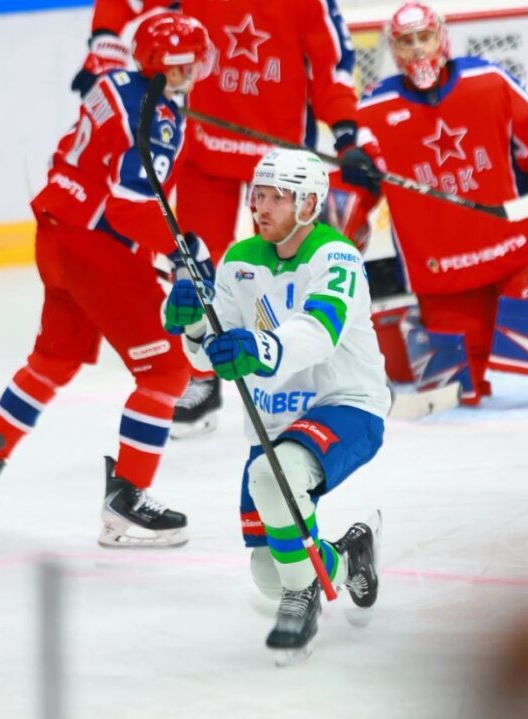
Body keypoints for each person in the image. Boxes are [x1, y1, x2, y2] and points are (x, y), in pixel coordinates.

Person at [0, 14, 213, 548]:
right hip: (97, 249)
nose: (194, 74)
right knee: (166, 371)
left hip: (57, 233)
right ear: (168, 69)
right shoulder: (158, 121)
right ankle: (127, 503)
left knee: (54, 360)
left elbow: (93, 126)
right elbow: (131, 206)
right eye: (187, 66)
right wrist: (183, 249)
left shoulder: (112, 81)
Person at [73, 0, 384, 438]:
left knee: (290, 270)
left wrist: (347, 132)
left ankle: (306, 377)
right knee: (196, 264)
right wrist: (105, 44)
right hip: (206, 150)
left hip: (279, 159)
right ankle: (201, 379)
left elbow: (331, 65)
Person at [162, 149, 388, 657]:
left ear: (308, 204)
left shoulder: (336, 257)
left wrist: (260, 349)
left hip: (345, 403)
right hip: (274, 419)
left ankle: (303, 601)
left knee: (271, 476)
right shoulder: (240, 259)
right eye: (258, 195)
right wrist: (194, 325)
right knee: (269, 573)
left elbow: (318, 333)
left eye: (276, 198)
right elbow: (210, 354)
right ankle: (350, 559)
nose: (260, 207)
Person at [330, 1, 528, 406]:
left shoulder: (488, 82)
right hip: (444, 279)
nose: (417, 49)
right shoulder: (373, 111)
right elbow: (347, 195)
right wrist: (334, 221)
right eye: (406, 42)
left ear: (441, 38)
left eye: (424, 37)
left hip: (521, 260)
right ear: (394, 50)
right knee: (461, 400)